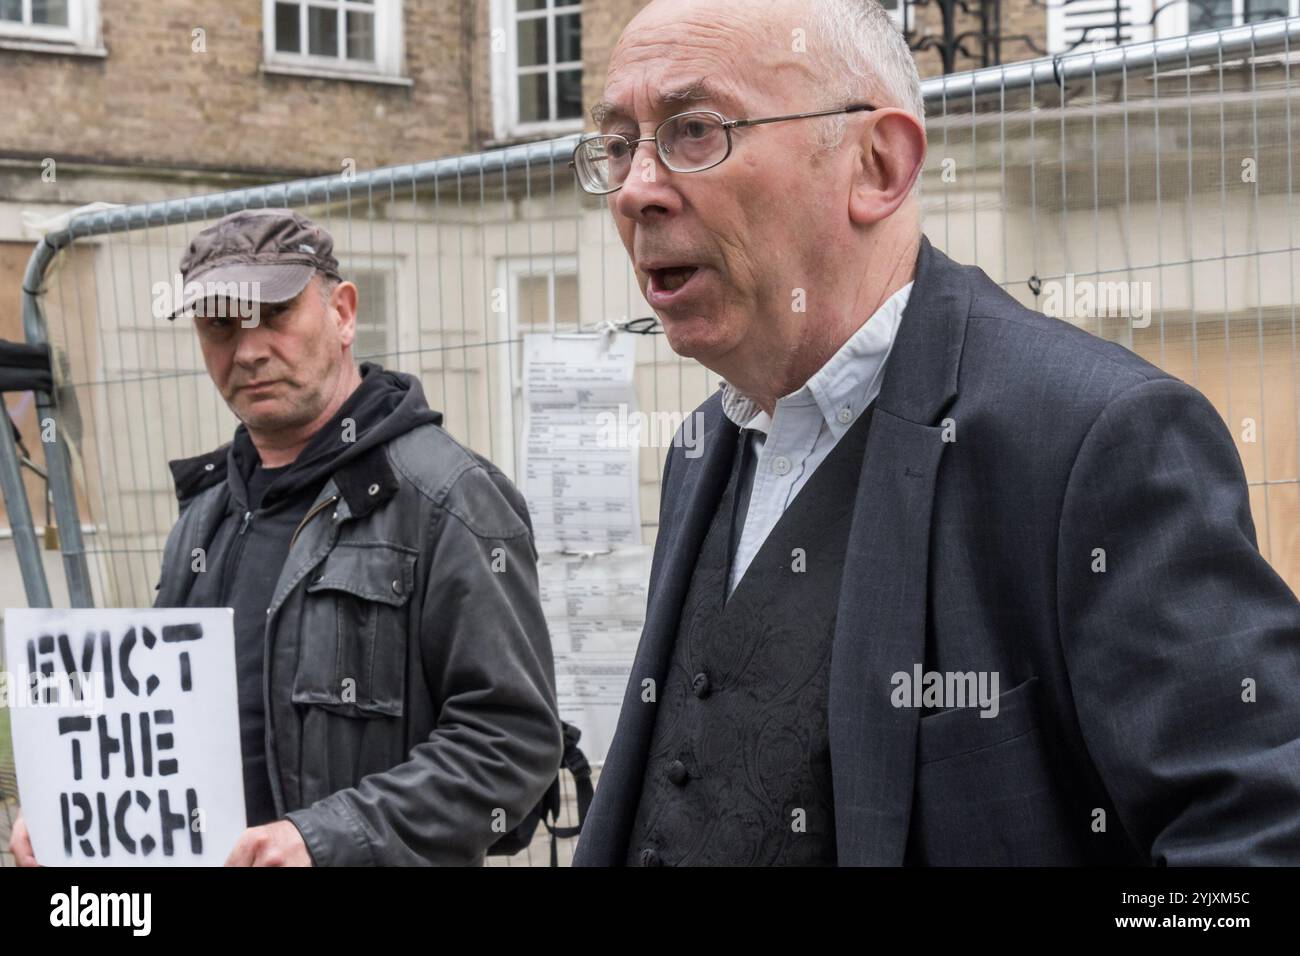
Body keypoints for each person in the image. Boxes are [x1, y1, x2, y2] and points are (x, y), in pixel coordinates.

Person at [571, 0, 1300, 866]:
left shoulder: (1095, 438)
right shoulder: (702, 446)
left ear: (877, 165)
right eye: (618, 145)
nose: (638, 190)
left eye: (695, 130)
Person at [10, 208, 563, 866]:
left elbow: (511, 744)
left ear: (344, 313)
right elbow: (162, 737)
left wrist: (323, 841)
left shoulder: (449, 499)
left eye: (273, 314)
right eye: (219, 324)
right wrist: (74, 813)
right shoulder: (206, 513)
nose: (247, 350)